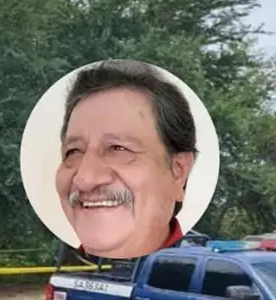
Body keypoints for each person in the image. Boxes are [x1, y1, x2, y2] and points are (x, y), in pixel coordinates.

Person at [56, 59, 198, 259]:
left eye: (118, 148)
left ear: (178, 171)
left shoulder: (188, 273)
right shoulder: (67, 274)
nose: (84, 179)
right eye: (74, 151)